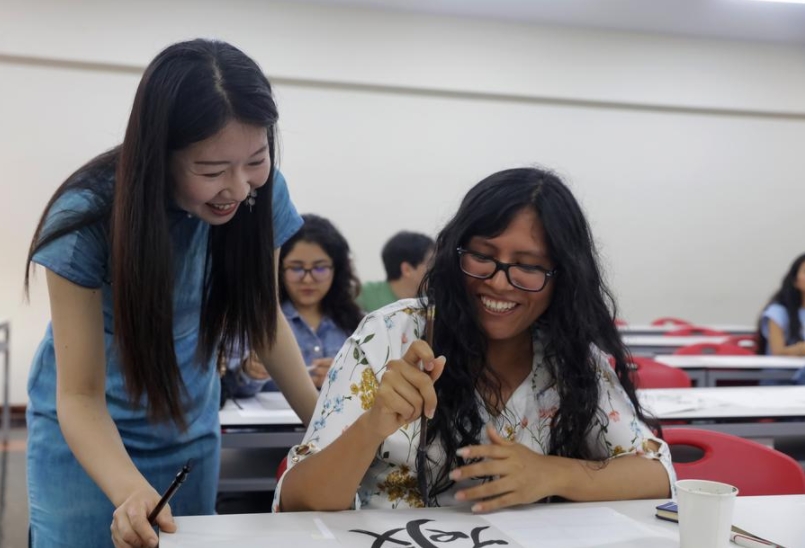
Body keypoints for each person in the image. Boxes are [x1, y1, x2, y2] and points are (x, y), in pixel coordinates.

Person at [24, 39, 319, 548]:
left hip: (188, 431)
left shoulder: (260, 194)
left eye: (256, 158)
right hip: (87, 438)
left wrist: (325, 425)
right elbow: (78, 395)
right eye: (211, 171)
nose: (240, 187)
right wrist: (130, 492)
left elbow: (262, 319)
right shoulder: (87, 217)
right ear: (158, 154)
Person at [275, 167, 674, 513]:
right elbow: (296, 501)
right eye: (483, 256)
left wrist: (552, 473)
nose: (500, 282)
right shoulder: (390, 335)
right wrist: (371, 426)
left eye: (529, 267)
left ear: (563, 277)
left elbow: (657, 474)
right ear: (454, 253)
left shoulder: (568, 356)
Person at [225, 213, 364, 394]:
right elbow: (229, 387)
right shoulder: (253, 321)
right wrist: (249, 371)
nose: (307, 279)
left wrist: (349, 377)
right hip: (269, 422)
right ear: (276, 268)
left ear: (337, 270)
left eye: (320, 268)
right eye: (296, 268)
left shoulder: (360, 325)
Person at [756, 253, 805, 384]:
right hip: (779, 380)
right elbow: (778, 350)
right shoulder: (778, 312)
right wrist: (800, 349)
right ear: (795, 281)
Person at [357, 231, 434, 312]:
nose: (436, 270)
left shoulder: (431, 299)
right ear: (407, 269)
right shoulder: (365, 295)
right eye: (431, 263)